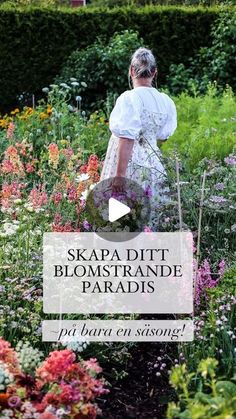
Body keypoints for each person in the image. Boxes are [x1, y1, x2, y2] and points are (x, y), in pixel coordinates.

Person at [100, 47, 177, 228]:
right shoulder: (165, 101)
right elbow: (163, 136)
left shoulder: (129, 98)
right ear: (154, 72)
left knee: (121, 217)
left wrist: (119, 176)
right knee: (148, 216)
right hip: (153, 163)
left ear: (132, 71)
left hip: (127, 163)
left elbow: (127, 138)